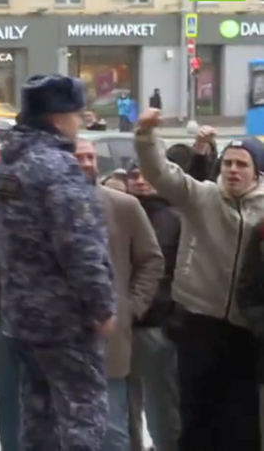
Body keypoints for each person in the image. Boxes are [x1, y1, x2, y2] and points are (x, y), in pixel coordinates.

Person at [0, 74, 115, 449]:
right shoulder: (57, 168)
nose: (79, 124)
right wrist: (102, 306)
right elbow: (81, 247)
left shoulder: (6, 165)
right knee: (83, 419)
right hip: (67, 321)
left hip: (22, 317)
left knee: (38, 418)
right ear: (58, 118)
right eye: (77, 116)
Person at [135, 108, 264, 451]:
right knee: (195, 418)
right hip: (199, 324)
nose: (233, 171)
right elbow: (161, 174)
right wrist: (147, 137)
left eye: (242, 165)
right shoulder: (203, 196)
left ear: (257, 173)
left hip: (245, 329)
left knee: (241, 423)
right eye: (228, 163)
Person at [75, 139, 164, 451]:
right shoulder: (44, 206)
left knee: (113, 429)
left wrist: (131, 306)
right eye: (78, 157)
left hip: (110, 336)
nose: (86, 163)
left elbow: (151, 260)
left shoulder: (124, 206)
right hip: (59, 336)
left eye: (90, 156)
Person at [125, 162, 182, 451]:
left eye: (147, 176)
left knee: (162, 410)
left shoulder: (174, 218)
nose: (140, 181)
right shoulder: (121, 212)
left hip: (157, 327)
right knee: (125, 410)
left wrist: (173, 318)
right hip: (121, 327)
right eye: (134, 176)